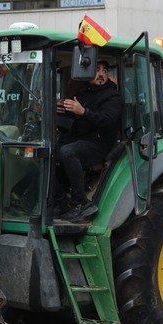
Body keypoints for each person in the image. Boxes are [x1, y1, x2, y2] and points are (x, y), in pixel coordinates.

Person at [55, 58, 123, 222]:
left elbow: (107, 120)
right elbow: (79, 116)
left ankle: (82, 202)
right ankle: (61, 202)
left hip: (99, 144)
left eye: (104, 71)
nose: (101, 74)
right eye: (96, 70)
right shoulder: (83, 94)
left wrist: (82, 112)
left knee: (68, 152)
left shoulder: (113, 97)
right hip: (81, 140)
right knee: (47, 152)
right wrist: (63, 109)